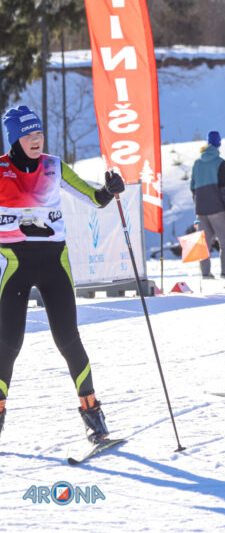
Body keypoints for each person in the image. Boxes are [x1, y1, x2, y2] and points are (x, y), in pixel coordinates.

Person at [0, 105, 125, 443]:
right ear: (14, 138)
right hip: (14, 266)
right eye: (28, 134)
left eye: (38, 132)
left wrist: (111, 189)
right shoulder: (0, 171)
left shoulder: (54, 167)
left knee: (69, 340)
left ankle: (92, 414)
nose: (36, 139)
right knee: (8, 344)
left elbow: (95, 198)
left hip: (55, 264)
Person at [191, 130, 225, 278]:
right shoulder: (220, 163)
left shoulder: (197, 163)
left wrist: (198, 204)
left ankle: (205, 273)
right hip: (217, 209)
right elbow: (224, 189)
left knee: (203, 242)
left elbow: (192, 187)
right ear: (219, 144)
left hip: (201, 209)